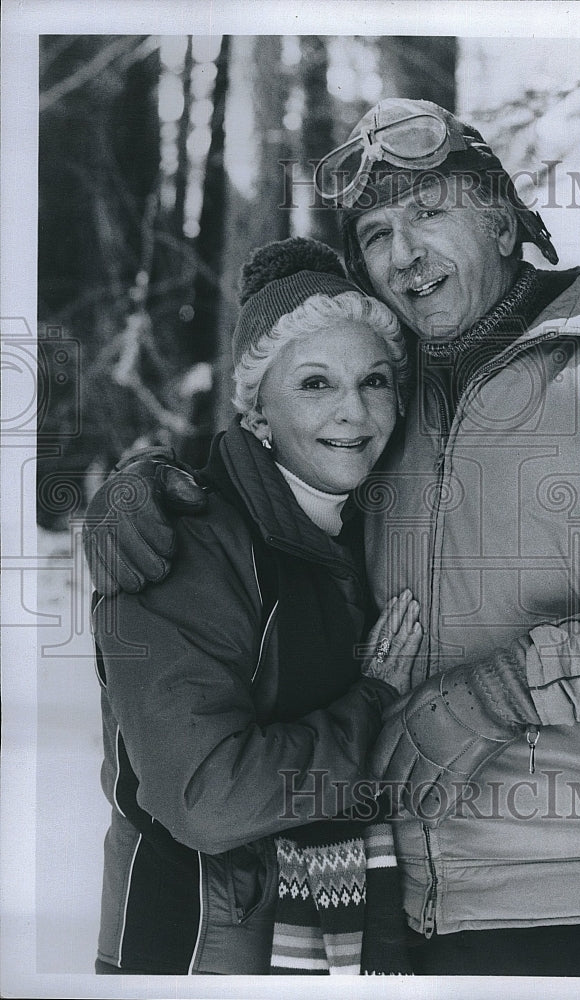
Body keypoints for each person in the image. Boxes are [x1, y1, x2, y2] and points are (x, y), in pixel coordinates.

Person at [84, 99, 580, 977]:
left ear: (504, 221)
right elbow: (276, 477)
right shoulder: (388, 410)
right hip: (376, 913)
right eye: (376, 230)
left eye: (430, 211)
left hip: (579, 892)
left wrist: (504, 689)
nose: (402, 251)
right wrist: (142, 493)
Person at [89, 237, 423, 975]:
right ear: (258, 411)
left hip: (329, 940)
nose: (353, 410)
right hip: (195, 953)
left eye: (373, 380)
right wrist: (371, 704)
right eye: (314, 384)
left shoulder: (371, 530)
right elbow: (207, 798)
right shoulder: (184, 546)